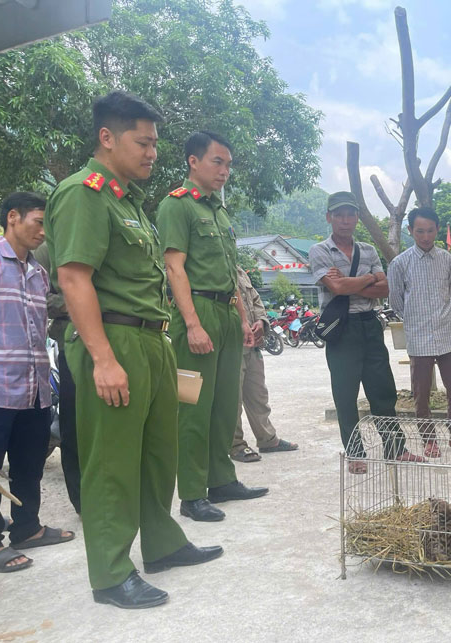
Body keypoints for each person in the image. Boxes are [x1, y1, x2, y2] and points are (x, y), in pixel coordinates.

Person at [46, 92, 222, 608]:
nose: (151, 152)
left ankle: (163, 544)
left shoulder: (128, 202)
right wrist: (102, 358)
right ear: (108, 137)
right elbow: (74, 277)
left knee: (155, 452)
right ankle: (110, 573)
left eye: (154, 143)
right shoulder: (83, 193)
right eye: (142, 142)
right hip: (114, 339)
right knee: (113, 462)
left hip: (151, 338)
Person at [157, 131, 267, 522]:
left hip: (225, 314)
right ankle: (191, 494)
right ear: (193, 161)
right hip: (197, 314)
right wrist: (191, 324)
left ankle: (221, 480)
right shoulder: (177, 206)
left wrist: (242, 321)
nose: (224, 171)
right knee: (193, 407)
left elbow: (231, 275)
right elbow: (174, 268)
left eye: (228, 164)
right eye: (217, 162)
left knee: (224, 406)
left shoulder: (219, 212)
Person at [308, 191, 421, 474]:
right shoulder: (319, 251)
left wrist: (351, 281)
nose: (345, 220)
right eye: (339, 215)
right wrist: (370, 278)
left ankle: (395, 448)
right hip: (341, 329)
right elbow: (337, 289)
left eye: (350, 214)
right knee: (345, 394)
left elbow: (385, 290)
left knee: (383, 390)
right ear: (329, 217)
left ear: (357, 217)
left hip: (370, 324)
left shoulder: (368, 250)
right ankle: (355, 452)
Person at [0, 192, 75, 574]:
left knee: (29, 465)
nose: (44, 231)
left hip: (35, 387)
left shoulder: (39, 273)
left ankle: (27, 528)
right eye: (38, 222)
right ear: (13, 217)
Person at [387, 207, 451, 457]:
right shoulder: (400, 263)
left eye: (430, 231)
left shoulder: (446, 258)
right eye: (420, 231)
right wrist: (416, 320)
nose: (425, 236)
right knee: (421, 393)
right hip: (419, 337)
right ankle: (429, 440)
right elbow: (396, 301)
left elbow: (448, 290)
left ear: (437, 229)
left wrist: (438, 315)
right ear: (410, 231)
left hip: (448, 333)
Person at [31, 242, 81, 514]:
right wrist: (82, 301)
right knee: (73, 424)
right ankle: (83, 499)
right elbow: (40, 297)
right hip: (73, 341)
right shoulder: (48, 249)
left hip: (119, 341)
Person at [230, 266, 298, 463]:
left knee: (258, 393)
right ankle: (235, 445)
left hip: (253, 341)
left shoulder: (240, 271)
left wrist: (261, 321)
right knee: (233, 397)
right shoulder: (217, 268)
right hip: (233, 339)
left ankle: (268, 439)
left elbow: (256, 300)